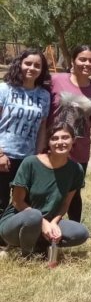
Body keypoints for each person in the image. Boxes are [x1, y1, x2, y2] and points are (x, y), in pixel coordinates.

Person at [0, 123, 88, 258]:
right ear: (48, 142)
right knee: (34, 216)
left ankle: (42, 245)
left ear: (73, 140)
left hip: (47, 220)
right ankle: (27, 255)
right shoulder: (30, 163)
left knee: (81, 232)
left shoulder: (76, 170)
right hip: (19, 220)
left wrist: (53, 223)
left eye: (65, 137)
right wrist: (43, 222)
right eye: (55, 138)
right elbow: (17, 202)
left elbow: (65, 204)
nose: (60, 142)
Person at [48, 45, 91, 222]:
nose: (87, 63)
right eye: (82, 59)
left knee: (74, 192)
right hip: (51, 147)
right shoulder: (56, 80)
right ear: (73, 61)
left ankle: (73, 230)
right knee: (49, 188)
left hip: (79, 150)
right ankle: (44, 229)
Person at [0, 49, 51, 214]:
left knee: (22, 203)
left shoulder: (44, 95)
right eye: (28, 63)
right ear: (19, 64)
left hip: (27, 159)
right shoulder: (5, 89)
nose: (32, 68)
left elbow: (42, 128)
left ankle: (12, 237)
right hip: (4, 155)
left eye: (37, 65)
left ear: (42, 70)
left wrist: (36, 158)